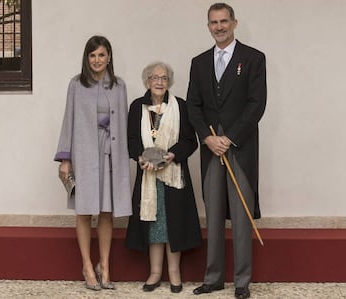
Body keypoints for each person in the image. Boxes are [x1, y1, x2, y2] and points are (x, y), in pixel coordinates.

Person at [186, 3, 267, 299]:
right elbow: (193, 105)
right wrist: (208, 140)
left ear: (234, 22)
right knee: (214, 212)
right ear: (208, 26)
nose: (219, 27)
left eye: (224, 21)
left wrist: (228, 138)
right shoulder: (198, 62)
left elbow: (256, 104)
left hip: (239, 148)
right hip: (210, 149)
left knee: (241, 216)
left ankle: (242, 281)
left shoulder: (254, 58)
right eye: (213, 22)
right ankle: (214, 277)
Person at [54, 35, 132, 291]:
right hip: (85, 152)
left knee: (107, 211)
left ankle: (105, 265)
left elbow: (124, 121)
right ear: (86, 58)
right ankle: (87, 265)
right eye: (92, 55)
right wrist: (66, 159)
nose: (97, 60)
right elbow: (69, 120)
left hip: (112, 152)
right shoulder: (76, 85)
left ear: (109, 57)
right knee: (85, 210)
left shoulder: (119, 86)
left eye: (101, 55)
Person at [125, 61, 202, 293]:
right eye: (154, 77)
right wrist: (139, 158)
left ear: (169, 82)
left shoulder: (181, 107)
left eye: (164, 78)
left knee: (173, 223)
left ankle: (175, 273)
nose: (159, 82)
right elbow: (131, 140)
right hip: (148, 177)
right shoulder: (137, 106)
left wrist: (172, 155)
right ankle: (156, 272)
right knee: (154, 224)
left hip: (173, 175)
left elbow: (190, 141)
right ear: (147, 81)